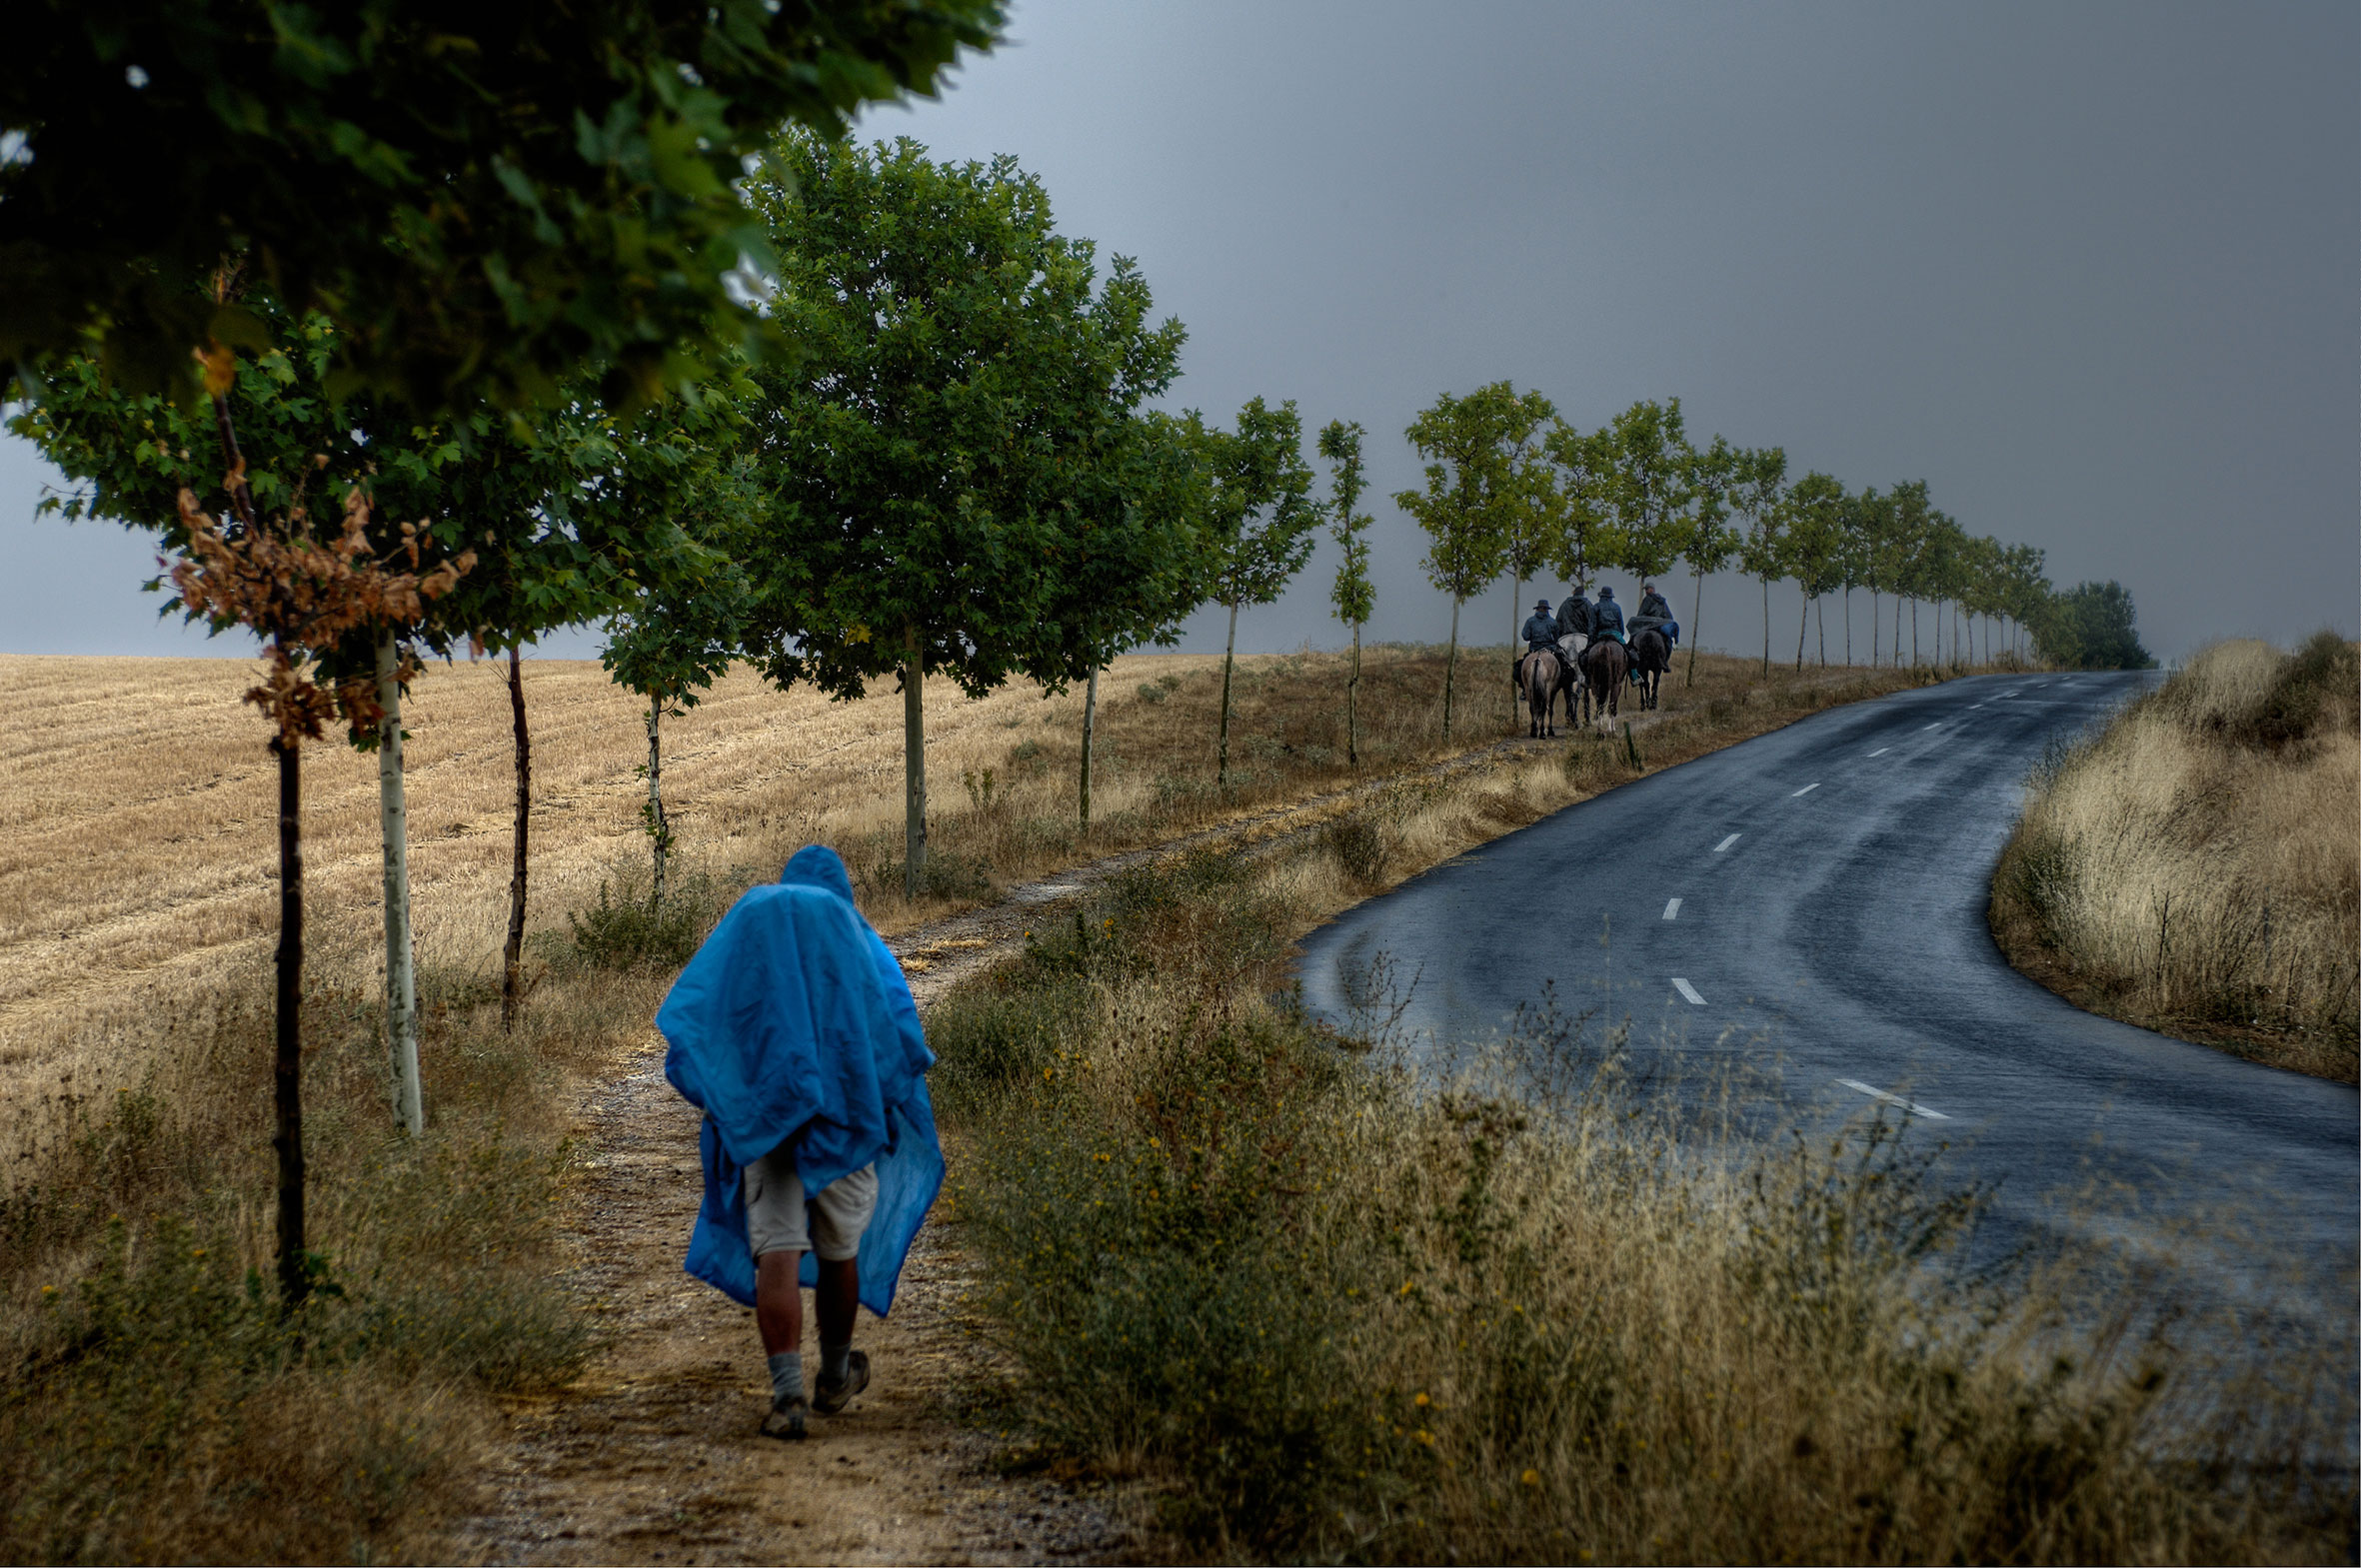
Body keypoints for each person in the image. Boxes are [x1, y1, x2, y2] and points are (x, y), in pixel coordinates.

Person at [658, 844, 944, 1441]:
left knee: (778, 1249)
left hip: (769, 1115)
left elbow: (700, 1017)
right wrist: (878, 1103)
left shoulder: (753, 923)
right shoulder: (852, 931)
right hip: (844, 1114)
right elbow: (900, 1034)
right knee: (840, 1251)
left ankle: (787, 1396)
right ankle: (835, 1376)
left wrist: (732, 1103)